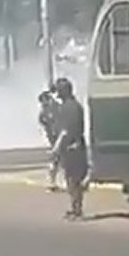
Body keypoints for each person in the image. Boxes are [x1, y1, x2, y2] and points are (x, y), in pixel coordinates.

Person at [52, 78, 89, 220]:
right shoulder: (74, 106)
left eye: (59, 91)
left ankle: (77, 210)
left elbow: (66, 131)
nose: (58, 95)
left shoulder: (69, 107)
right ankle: (75, 208)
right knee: (72, 180)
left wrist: (56, 147)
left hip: (73, 147)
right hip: (75, 145)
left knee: (73, 180)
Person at [38, 89, 61, 191]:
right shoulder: (45, 112)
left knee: (58, 160)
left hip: (59, 137)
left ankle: (54, 181)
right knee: (56, 159)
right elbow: (43, 122)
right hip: (55, 138)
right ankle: (52, 181)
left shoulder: (55, 108)